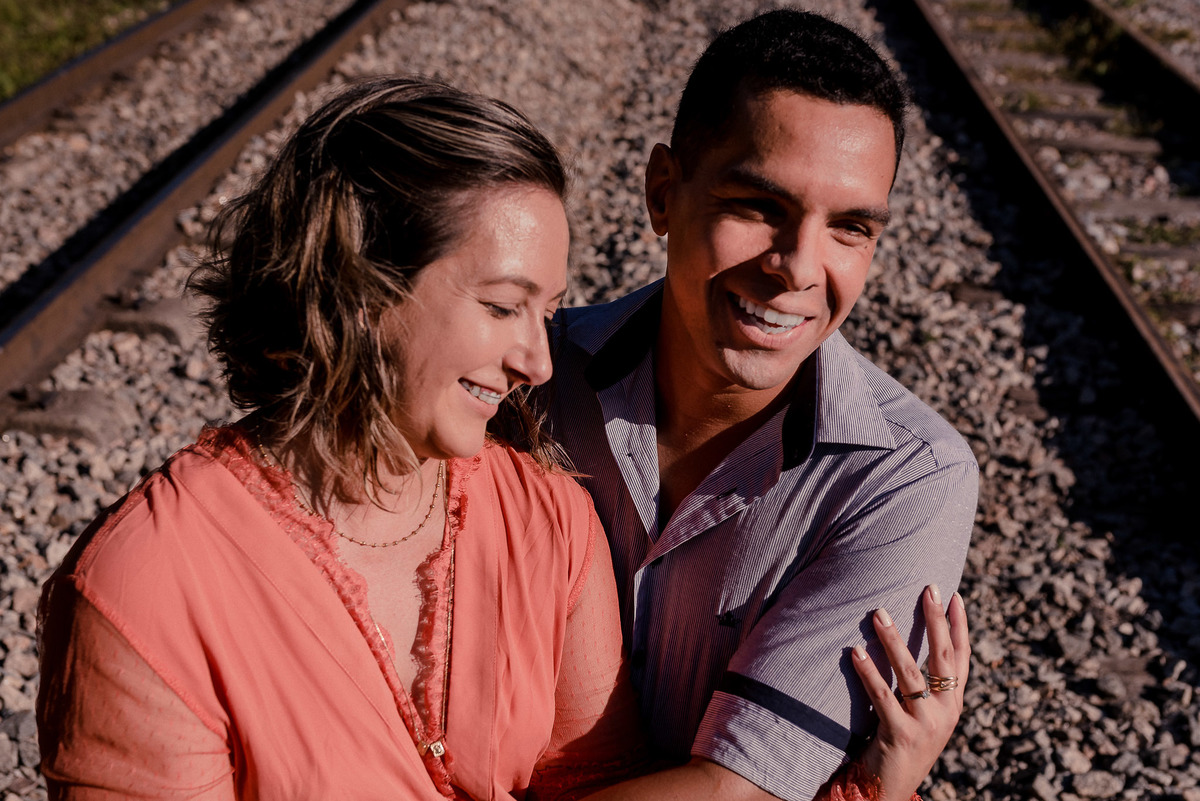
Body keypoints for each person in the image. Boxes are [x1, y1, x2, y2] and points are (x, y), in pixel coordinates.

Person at [35, 75, 959, 801]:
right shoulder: (148, 588)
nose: (541, 361)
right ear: (362, 287)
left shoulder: (546, 518)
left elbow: (596, 786)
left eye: (547, 310)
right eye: (504, 306)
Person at [546, 9, 978, 801]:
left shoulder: (907, 477)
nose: (798, 268)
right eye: (759, 206)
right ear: (663, 193)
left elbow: (737, 791)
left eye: (850, 227)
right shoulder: (529, 377)